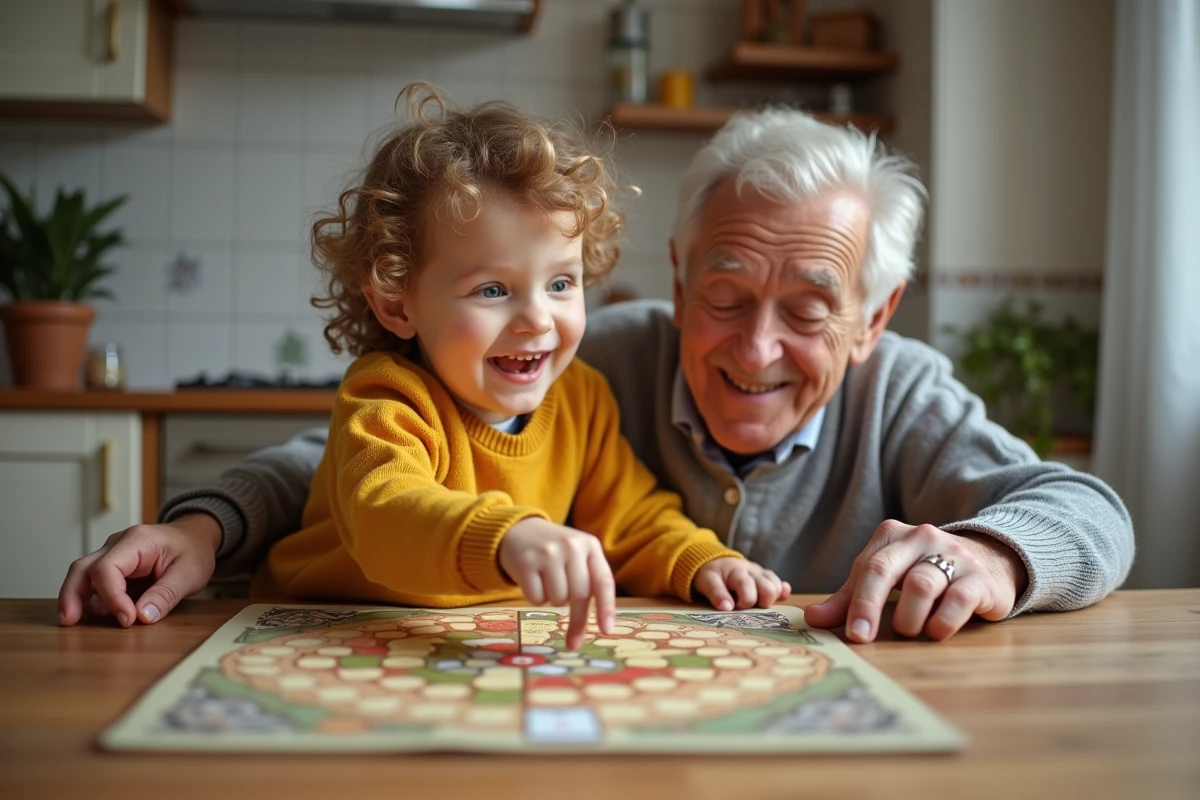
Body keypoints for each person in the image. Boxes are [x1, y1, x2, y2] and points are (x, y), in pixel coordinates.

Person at [60, 107, 1135, 645]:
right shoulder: (606, 352)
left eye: (809, 310)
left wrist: (993, 553)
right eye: (722, 297)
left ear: (874, 316)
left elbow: (1089, 511)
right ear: (673, 274)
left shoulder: (902, 390)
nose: (755, 349)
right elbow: (340, 472)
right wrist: (205, 527)